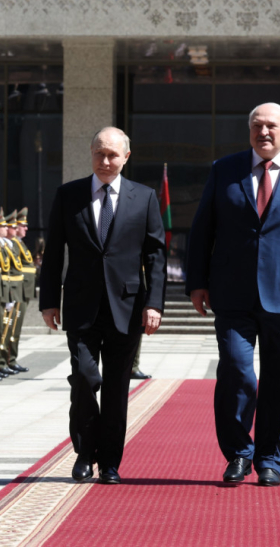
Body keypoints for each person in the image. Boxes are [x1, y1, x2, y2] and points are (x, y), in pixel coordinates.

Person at [39, 126, 166, 484]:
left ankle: (109, 461)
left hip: (127, 306)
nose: (105, 161)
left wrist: (154, 303)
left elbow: (155, 255)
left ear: (126, 157)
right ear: (91, 154)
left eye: (113, 155)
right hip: (81, 305)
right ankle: (83, 452)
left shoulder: (143, 197)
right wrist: (49, 301)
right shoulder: (69, 195)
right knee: (83, 377)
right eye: (100, 153)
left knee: (115, 387)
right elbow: (53, 254)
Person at [187, 102, 280, 487]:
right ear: (249, 130)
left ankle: (271, 459)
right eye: (257, 126)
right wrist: (196, 281)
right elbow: (203, 230)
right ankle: (238, 453)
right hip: (232, 292)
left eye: (272, 126)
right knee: (236, 370)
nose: (264, 132)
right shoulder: (225, 169)